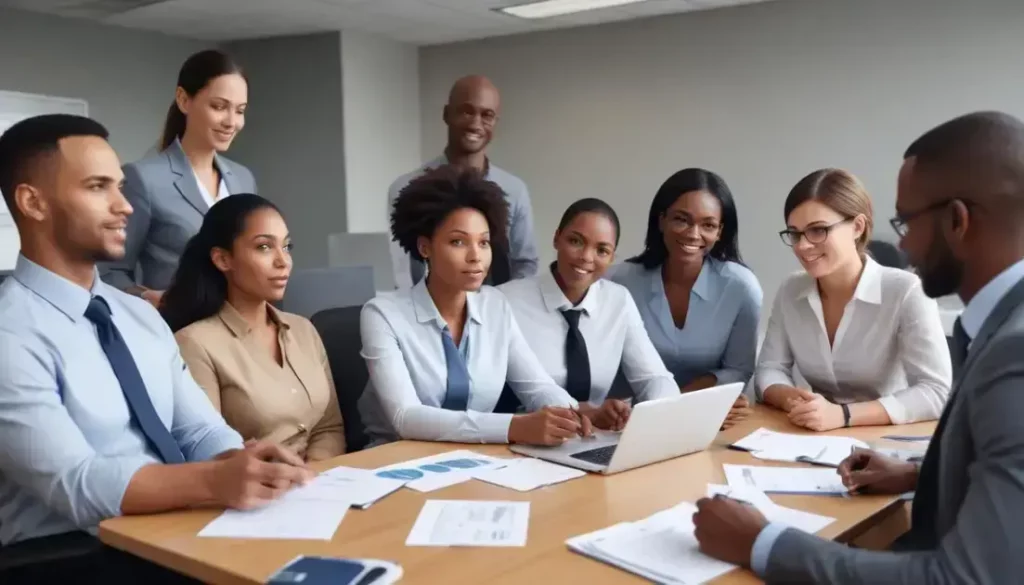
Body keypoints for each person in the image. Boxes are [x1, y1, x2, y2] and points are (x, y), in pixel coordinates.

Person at [692, 111, 1024, 583]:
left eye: (906, 222)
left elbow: (966, 578)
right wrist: (916, 473)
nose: (903, 246)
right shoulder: (1003, 325)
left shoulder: (1015, 352)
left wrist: (763, 543)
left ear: (957, 220)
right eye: (795, 234)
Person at [0, 115, 309, 581]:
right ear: (33, 202)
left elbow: (198, 430)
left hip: (178, 532)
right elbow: (75, 484)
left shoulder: (139, 316)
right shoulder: (10, 334)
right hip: (73, 559)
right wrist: (214, 481)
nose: (124, 206)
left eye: (120, 187)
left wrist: (242, 463)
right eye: (98, 187)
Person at [359, 164, 590, 446]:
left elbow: (537, 386)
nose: (475, 256)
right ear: (425, 247)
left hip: (475, 457)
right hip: (393, 458)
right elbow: (405, 417)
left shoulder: (495, 306)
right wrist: (514, 427)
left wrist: (570, 413)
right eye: (458, 242)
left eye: (484, 243)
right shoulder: (382, 314)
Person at [756, 168, 951, 430]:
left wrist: (843, 415)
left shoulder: (907, 291)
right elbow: (769, 368)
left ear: (857, 227)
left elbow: (936, 391)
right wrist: (795, 400)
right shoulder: (791, 290)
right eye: (795, 233)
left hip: (888, 438)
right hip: (816, 436)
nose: (802, 246)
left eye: (818, 230)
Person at [161, 195, 346, 462]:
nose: (283, 261)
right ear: (223, 259)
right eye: (264, 247)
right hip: (255, 483)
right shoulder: (194, 344)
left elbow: (329, 427)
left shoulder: (304, 329)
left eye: (287, 246)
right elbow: (208, 450)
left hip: (324, 478)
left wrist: (314, 471)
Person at [498, 198, 678, 429]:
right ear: (556, 238)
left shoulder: (618, 300)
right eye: (576, 241)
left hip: (590, 438)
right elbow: (536, 390)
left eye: (602, 250)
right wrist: (587, 413)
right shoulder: (506, 300)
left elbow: (654, 377)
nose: (586, 257)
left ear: (612, 257)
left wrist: (657, 413)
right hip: (521, 435)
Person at [102, 49, 257, 305]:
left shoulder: (243, 179)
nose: (231, 122)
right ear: (184, 100)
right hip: (178, 324)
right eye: (219, 107)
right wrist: (148, 298)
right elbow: (109, 272)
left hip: (241, 322)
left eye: (239, 110)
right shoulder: (144, 179)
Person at [610, 168, 761, 428]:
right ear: (661, 220)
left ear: (720, 231)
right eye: (682, 220)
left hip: (706, 419)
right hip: (627, 421)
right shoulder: (621, 280)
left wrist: (679, 406)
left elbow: (738, 369)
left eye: (708, 225)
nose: (693, 234)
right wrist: (672, 409)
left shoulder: (741, 287)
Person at [388, 75, 538, 289]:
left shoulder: (514, 190)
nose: (476, 124)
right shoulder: (407, 188)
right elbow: (401, 270)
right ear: (447, 114)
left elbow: (525, 265)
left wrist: (500, 304)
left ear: (495, 122)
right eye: (467, 111)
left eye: (487, 115)